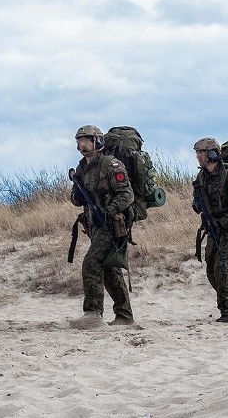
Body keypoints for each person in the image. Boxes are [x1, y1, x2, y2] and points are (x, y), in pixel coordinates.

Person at [69, 125, 135, 328]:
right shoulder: (81, 168)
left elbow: (127, 194)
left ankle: (93, 313)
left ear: (97, 141)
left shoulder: (111, 165)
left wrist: (110, 211)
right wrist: (77, 193)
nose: (82, 144)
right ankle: (124, 315)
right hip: (94, 225)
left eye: (86, 139)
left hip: (112, 225)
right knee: (109, 269)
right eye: (79, 140)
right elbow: (75, 199)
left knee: (91, 262)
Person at [192, 137, 228, 323]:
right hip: (213, 228)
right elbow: (198, 199)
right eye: (198, 153)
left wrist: (224, 222)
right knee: (210, 270)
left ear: (212, 153)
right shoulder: (202, 176)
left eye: (201, 152)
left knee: (221, 267)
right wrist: (197, 204)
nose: (198, 156)